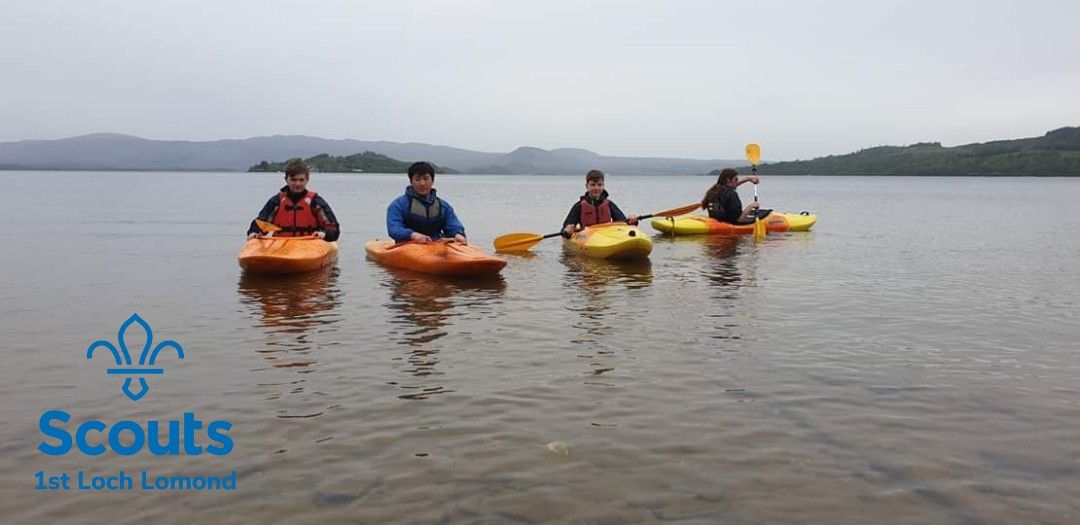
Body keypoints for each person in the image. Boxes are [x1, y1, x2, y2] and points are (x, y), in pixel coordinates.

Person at [246, 160, 340, 240]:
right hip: (281, 244)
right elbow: (261, 223)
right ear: (286, 179)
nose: (297, 184)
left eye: (301, 180)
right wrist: (254, 233)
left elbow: (333, 229)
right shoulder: (276, 201)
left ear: (307, 180)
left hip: (310, 243)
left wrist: (324, 234)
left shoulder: (316, 202)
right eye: (293, 180)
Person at [386, 161, 467, 244]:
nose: (422, 183)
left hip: (436, 244)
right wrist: (413, 235)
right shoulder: (398, 205)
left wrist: (458, 234)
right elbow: (394, 229)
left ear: (432, 181)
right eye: (417, 179)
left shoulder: (443, 206)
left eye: (426, 179)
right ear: (411, 181)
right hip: (407, 245)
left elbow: (452, 224)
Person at [562, 169, 638, 236]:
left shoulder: (609, 204)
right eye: (593, 185)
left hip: (605, 236)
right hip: (587, 237)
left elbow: (623, 222)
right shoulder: (579, 206)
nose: (596, 188)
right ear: (587, 186)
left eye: (599, 185)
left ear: (603, 186)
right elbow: (564, 229)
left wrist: (632, 221)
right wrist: (567, 231)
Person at [699, 168, 764, 224]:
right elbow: (739, 218)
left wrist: (748, 178)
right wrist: (751, 206)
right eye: (736, 179)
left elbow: (732, 185)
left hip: (715, 221)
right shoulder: (731, 194)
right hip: (728, 224)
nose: (737, 181)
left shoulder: (714, 190)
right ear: (728, 180)